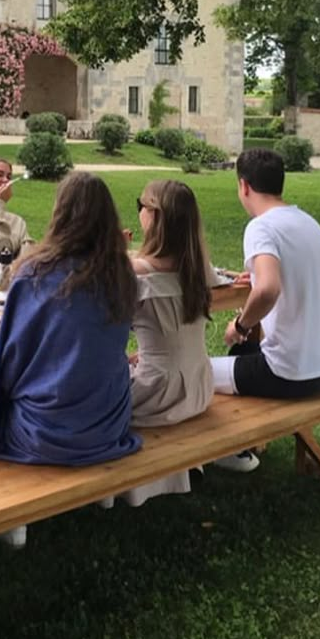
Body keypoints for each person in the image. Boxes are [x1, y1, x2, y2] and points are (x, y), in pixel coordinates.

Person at [0, 171, 140, 472]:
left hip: (48, 432)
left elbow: (10, 358)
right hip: (108, 421)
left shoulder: (37, 273)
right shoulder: (121, 274)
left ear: (60, 213)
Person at [210, 147, 320, 473]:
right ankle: (238, 445)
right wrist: (259, 273)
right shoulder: (309, 222)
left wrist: (240, 326)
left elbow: (269, 289)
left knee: (191, 374)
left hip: (288, 373)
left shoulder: (261, 227)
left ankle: (228, 449)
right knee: (240, 357)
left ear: (244, 186)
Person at [113, 180, 224, 507]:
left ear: (155, 216)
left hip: (156, 394)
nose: (140, 212)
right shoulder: (198, 267)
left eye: (141, 205)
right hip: (199, 385)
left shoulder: (136, 271)